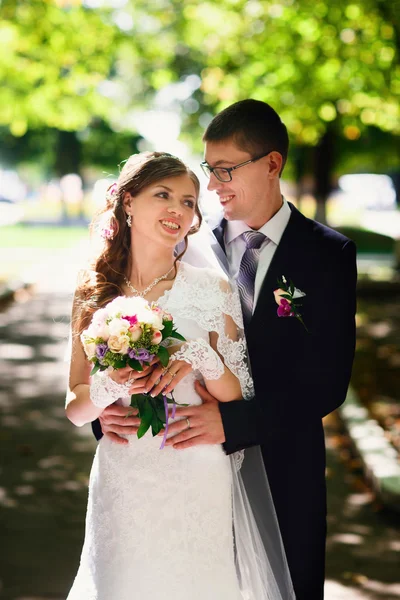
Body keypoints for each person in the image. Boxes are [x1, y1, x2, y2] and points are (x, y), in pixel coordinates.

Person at [98, 101, 357, 600]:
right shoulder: (183, 245)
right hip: (187, 474)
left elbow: (328, 380)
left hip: (284, 467)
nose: (212, 187)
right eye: (208, 170)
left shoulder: (328, 254)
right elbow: (129, 328)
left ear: (272, 164)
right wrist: (106, 414)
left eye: (225, 170)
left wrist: (234, 423)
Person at [66, 151, 293, 600]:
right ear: (128, 202)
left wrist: (201, 357)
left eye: (189, 202)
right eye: (163, 195)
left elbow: (236, 394)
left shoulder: (213, 290)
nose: (178, 209)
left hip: (197, 471)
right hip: (124, 475)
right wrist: (110, 388)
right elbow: (76, 405)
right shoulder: (94, 291)